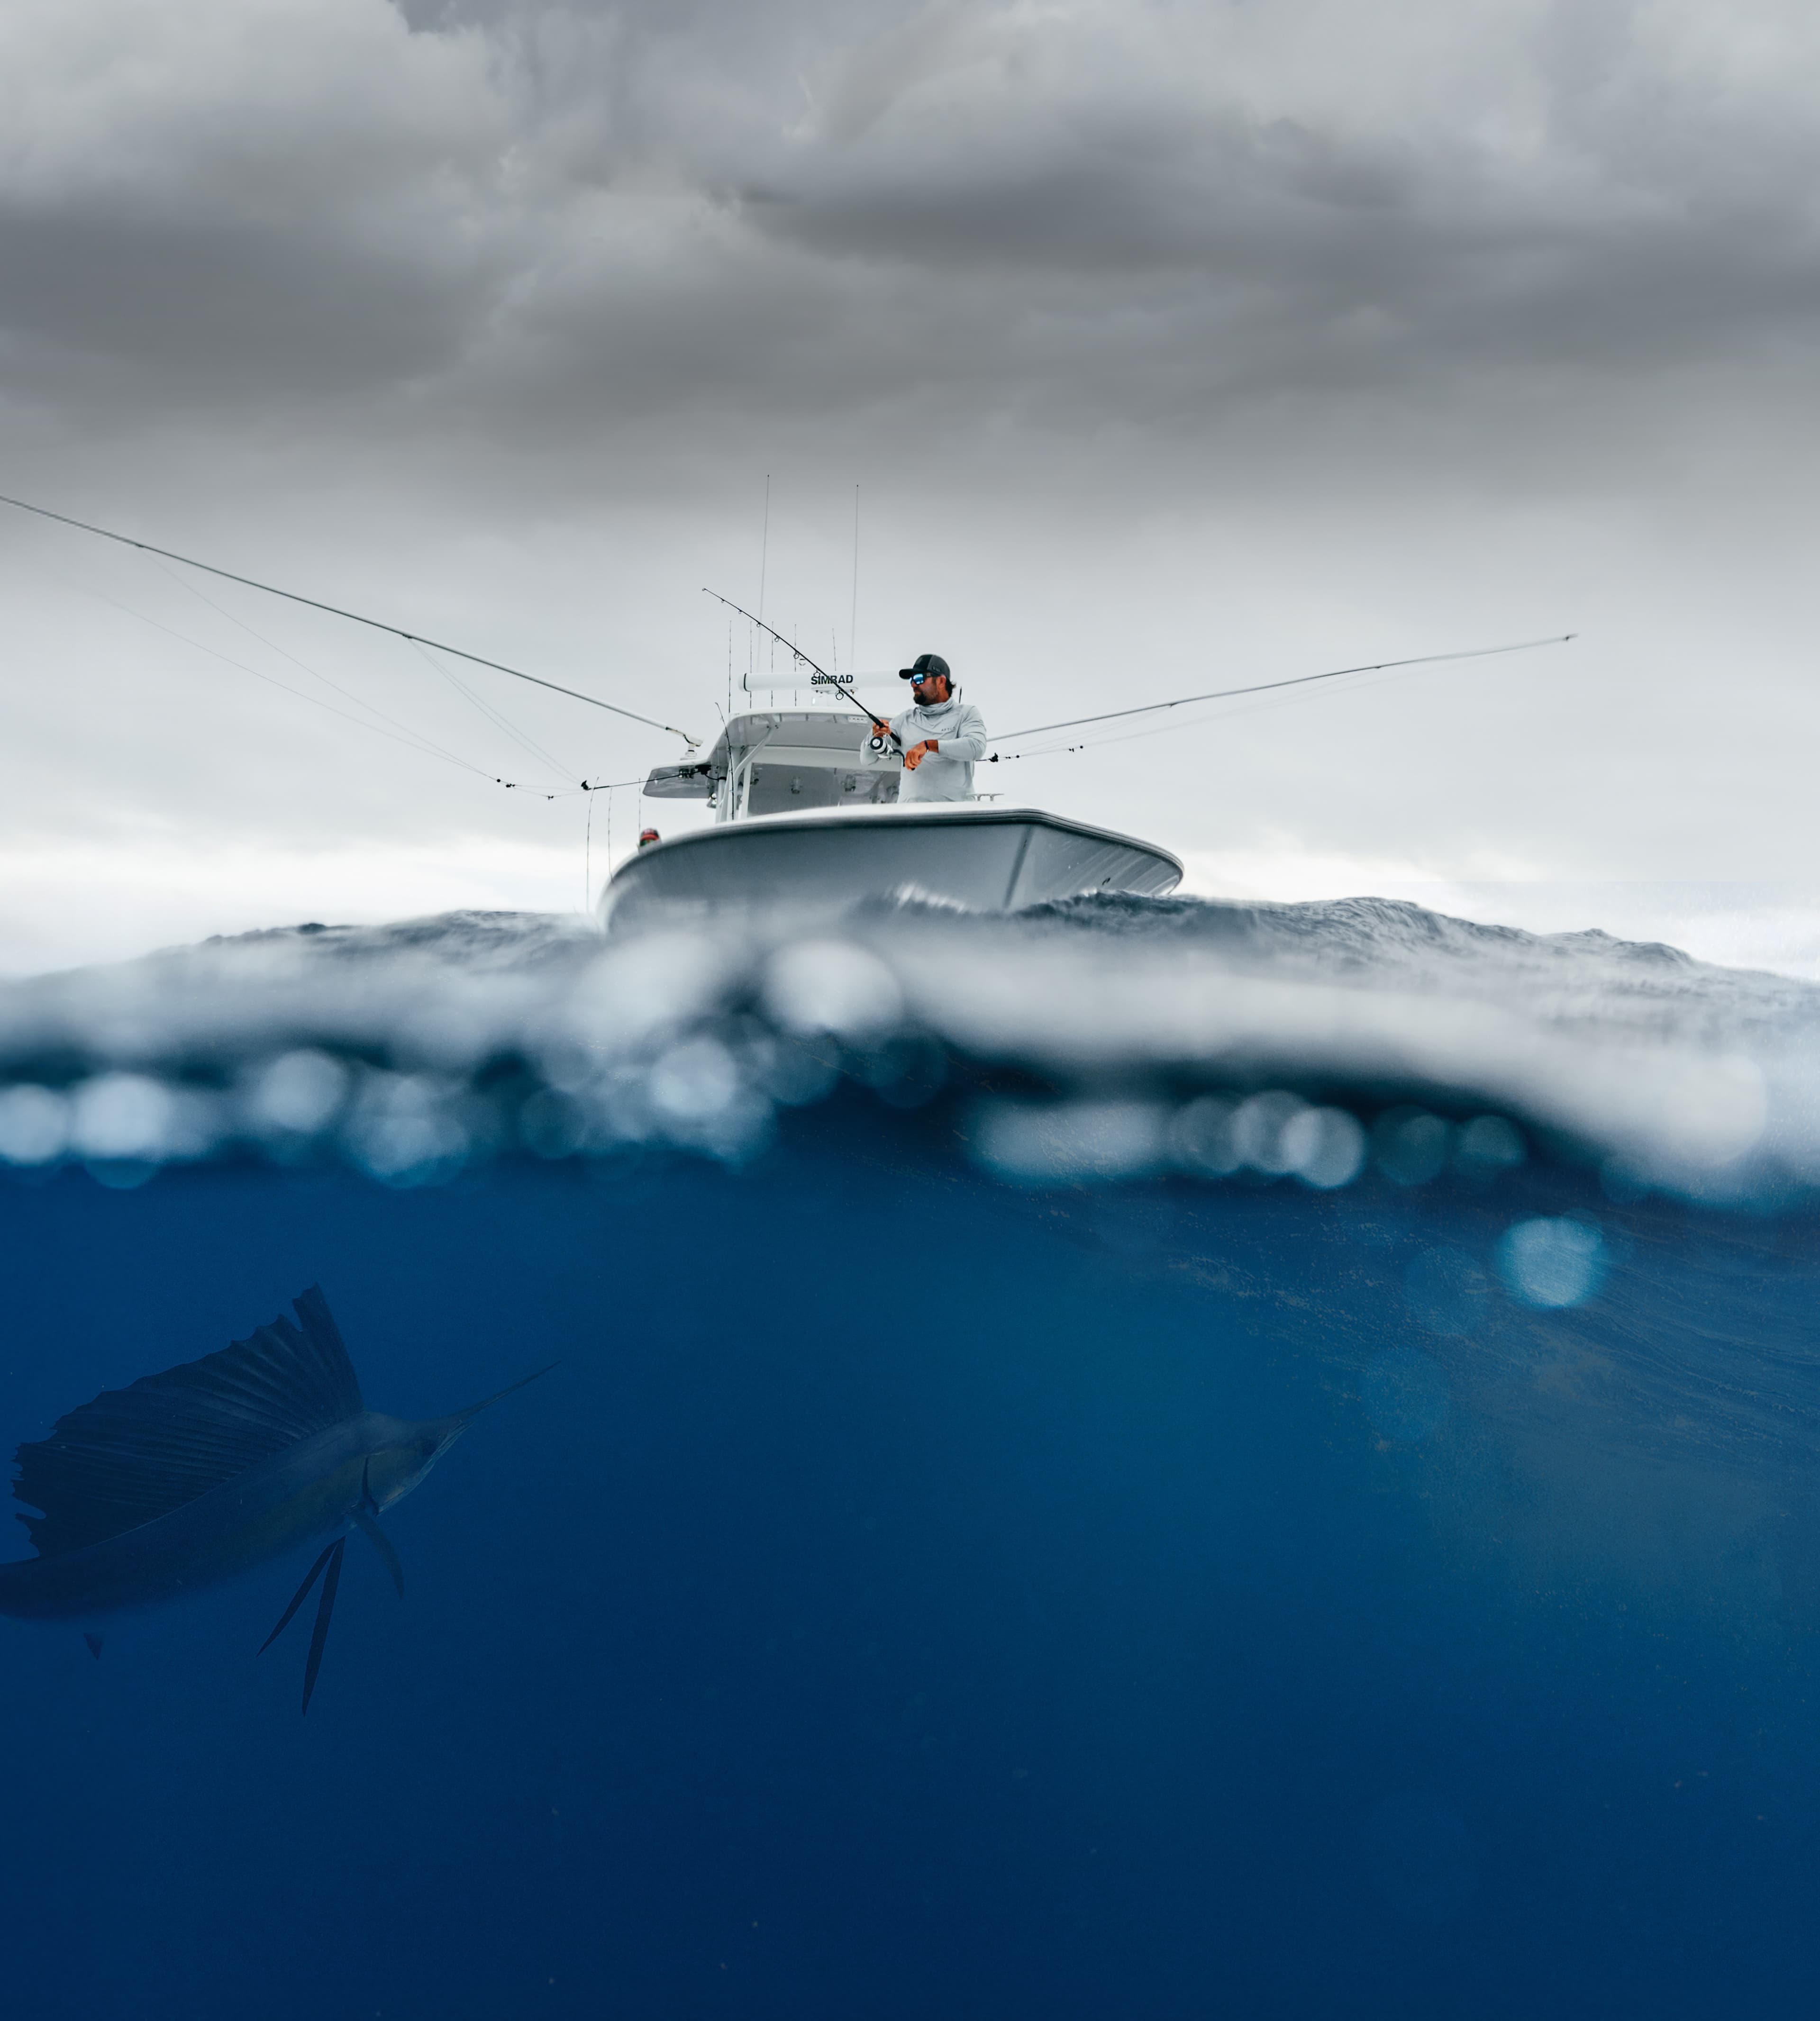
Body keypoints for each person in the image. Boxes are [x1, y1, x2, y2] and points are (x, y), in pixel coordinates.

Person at [860, 652, 988, 803]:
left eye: (920, 679)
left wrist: (929, 746)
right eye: (912, 680)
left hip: (955, 817)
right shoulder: (904, 720)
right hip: (912, 819)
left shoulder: (966, 714)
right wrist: (876, 735)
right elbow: (866, 759)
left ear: (941, 681)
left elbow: (976, 747)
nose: (914, 684)